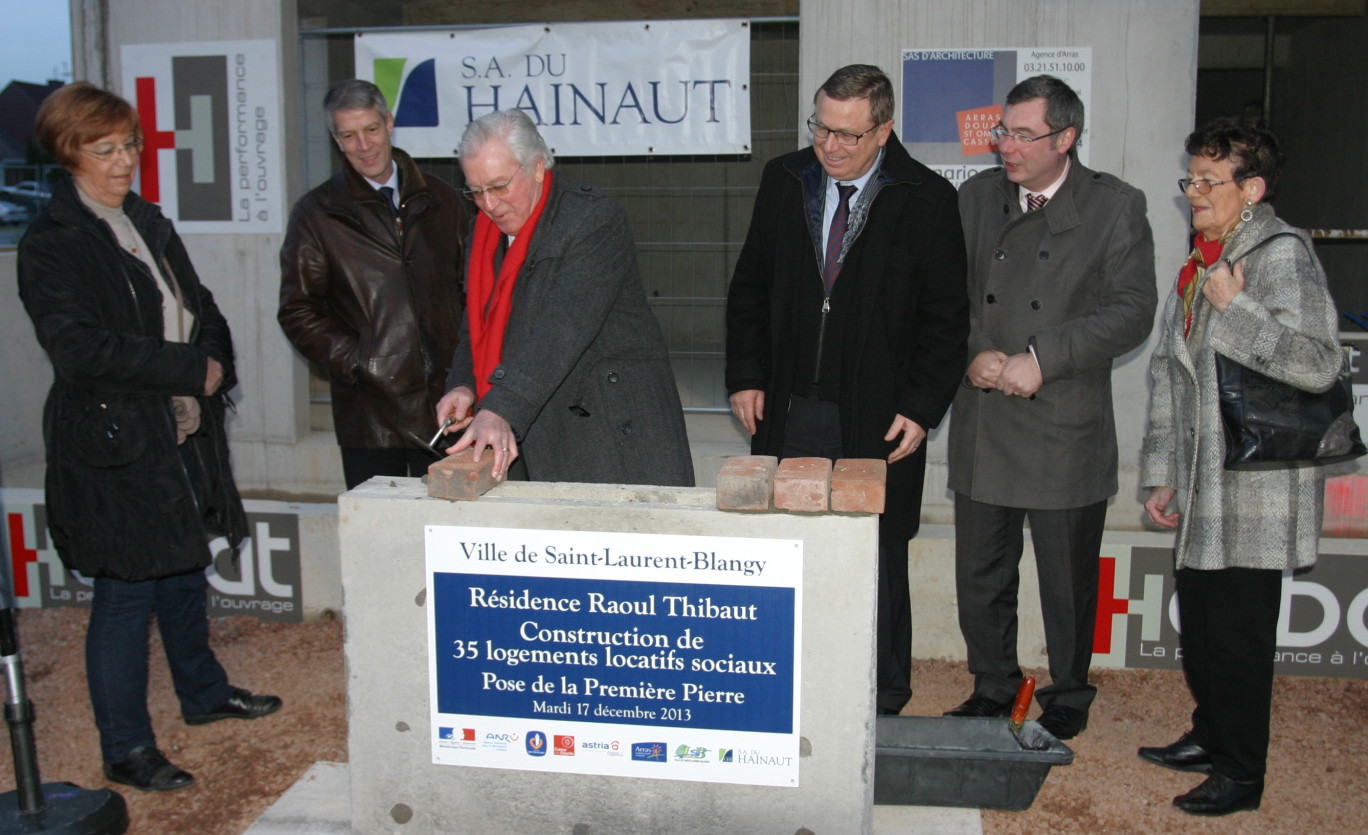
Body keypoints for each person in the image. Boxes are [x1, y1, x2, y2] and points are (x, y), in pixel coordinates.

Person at [17, 82, 281, 793]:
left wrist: (212, 366)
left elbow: (198, 306)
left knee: (182, 569)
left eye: (129, 144)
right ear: (68, 154)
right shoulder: (52, 243)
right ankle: (125, 747)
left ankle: (202, 693)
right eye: (104, 149)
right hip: (115, 442)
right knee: (127, 591)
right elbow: (81, 350)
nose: (124, 159)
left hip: (177, 428)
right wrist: (190, 368)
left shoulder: (145, 219)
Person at [725, 64, 969, 715]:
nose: (829, 146)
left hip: (877, 415)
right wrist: (747, 373)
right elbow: (750, 284)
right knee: (789, 546)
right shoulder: (784, 179)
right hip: (789, 404)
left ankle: (883, 694)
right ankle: (796, 681)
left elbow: (947, 320)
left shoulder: (927, 199)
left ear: (884, 130)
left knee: (878, 555)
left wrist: (921, 407)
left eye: (847, 136)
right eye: (820, 128)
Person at [1137, 117, 1342, 816]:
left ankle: (1241, 770)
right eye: (1189, 177)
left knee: (1239, 635)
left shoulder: (1280, 254)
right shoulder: (1204, 257)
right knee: (1204, 623)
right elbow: (1171, 371)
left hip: (1256, 490)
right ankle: (1210, 731)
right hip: (1204, 483)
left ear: (1250, 188)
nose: (1192, 190)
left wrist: (1239, 307)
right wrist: (1163, 471)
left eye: (1207, 180)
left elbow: (1319, 363)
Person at [945, 75, 1157, 740]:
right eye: (1002, 131)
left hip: (1065, 422)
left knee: (1067, 579)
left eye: (1024, 135)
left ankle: (1070, 690)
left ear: (1066, 139)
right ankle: (993, 682)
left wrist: (1043, 356)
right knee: (981, 569)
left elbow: (1132, 310)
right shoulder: (974, 198)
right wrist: (974, 350)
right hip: (985, 417)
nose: (1006, 146)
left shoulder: (1114, 207)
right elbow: (944, 293)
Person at [435, 109, 693, 487]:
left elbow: (562, 328)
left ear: (537, 167)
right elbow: (476, 322)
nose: (488, 204)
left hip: (607, 429)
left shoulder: (591, 220)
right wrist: (464, 385)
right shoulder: (483, 231)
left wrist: (500, 407)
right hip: (528, 418)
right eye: (475, 191)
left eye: (499, 186)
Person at [279, 79, 468, 489]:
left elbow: (470, 289)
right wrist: (360, 362)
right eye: (349, 135)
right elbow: (297, 311)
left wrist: (467, 369)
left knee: (446, 530)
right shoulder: (316, 214)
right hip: (369, 415)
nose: (363, 145)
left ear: (389, 123)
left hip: (446, 404)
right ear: (335, 140)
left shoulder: (441, 199)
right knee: (379, 538)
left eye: (370, 129)